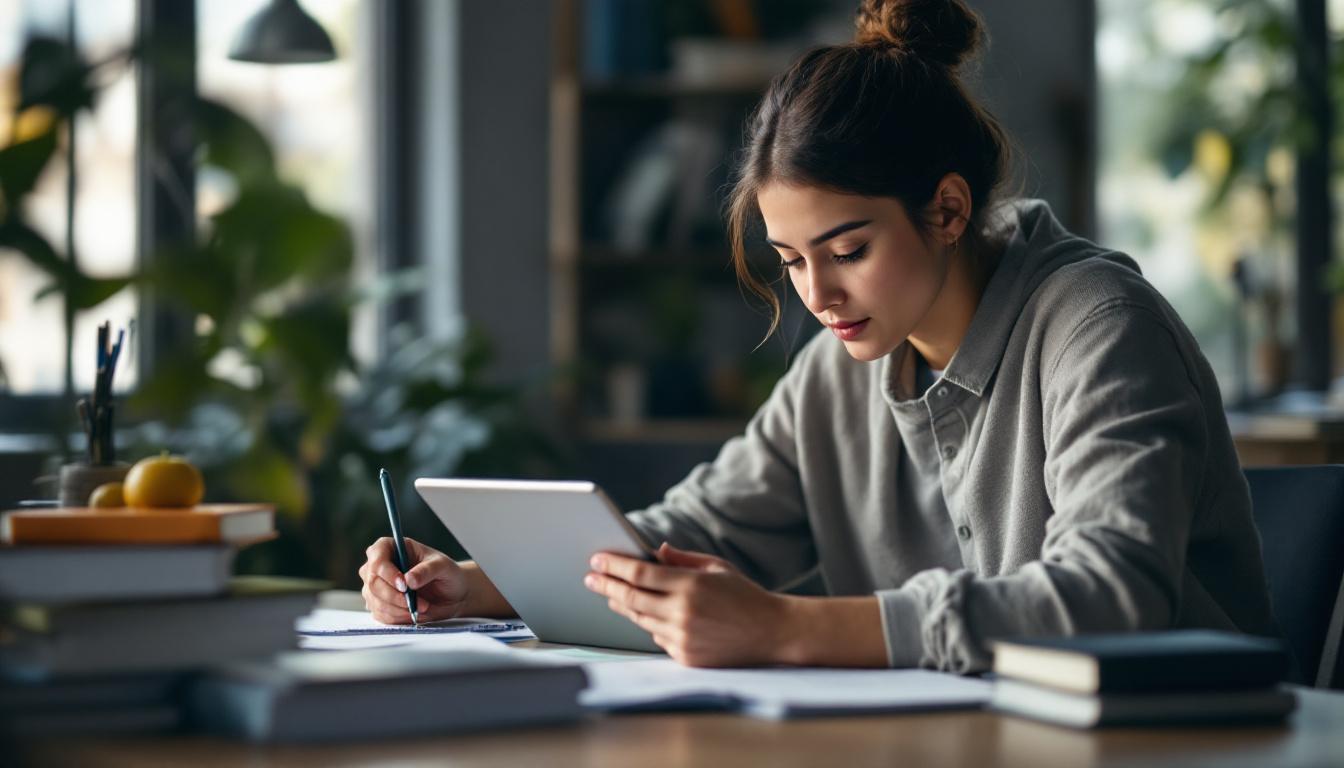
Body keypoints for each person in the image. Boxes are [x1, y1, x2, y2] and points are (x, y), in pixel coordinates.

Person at [359, 0, 1277, 673]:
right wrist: (476, 584)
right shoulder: (843, 368)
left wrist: (787, 629)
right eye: (793, 260)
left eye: (848, 249)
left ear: (948, 208)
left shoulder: (1097, 327)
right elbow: (700, 528)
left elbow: (1113, 597)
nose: (820, 295)